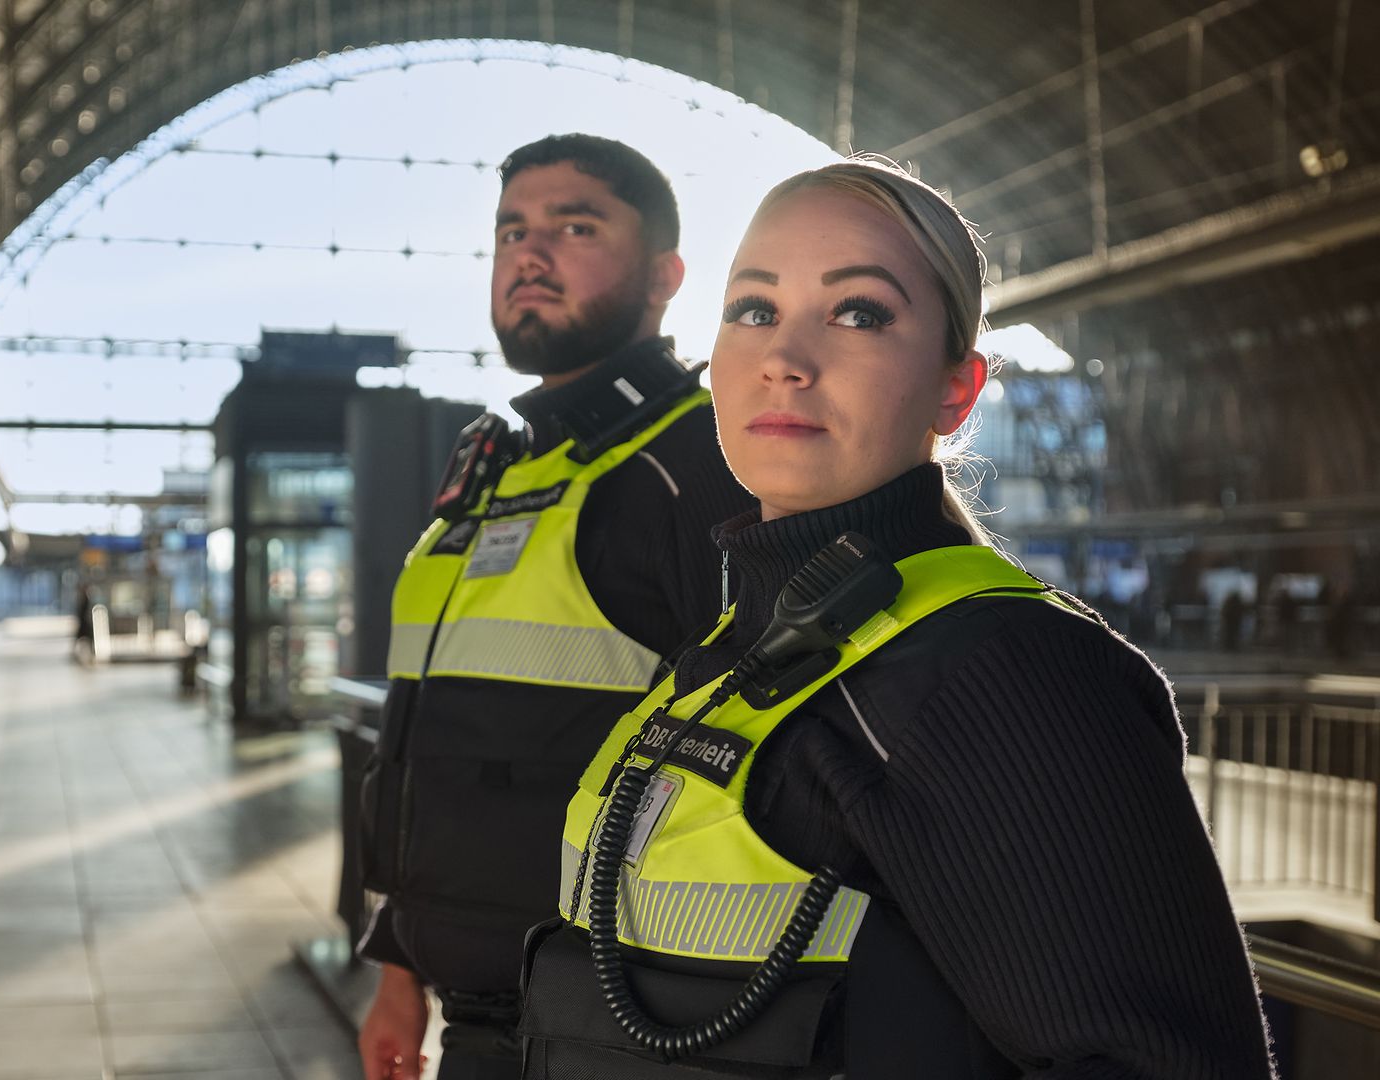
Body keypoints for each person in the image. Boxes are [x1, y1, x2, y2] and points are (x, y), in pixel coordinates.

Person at [518, 158, 1276, 1078]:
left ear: (956, 390)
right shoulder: (733, 651)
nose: (785, 358)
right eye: (754, 309)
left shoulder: (1002, 674)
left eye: (858, 313)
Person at [355, 134, 756, 1080]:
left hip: (616, 1021)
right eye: (512, 232)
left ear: (664, 277)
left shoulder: (699, 467)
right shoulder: (501, 470)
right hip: (479, 1015)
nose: (529, 255)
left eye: (576, 228)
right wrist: (400, 968)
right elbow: (424, 745)